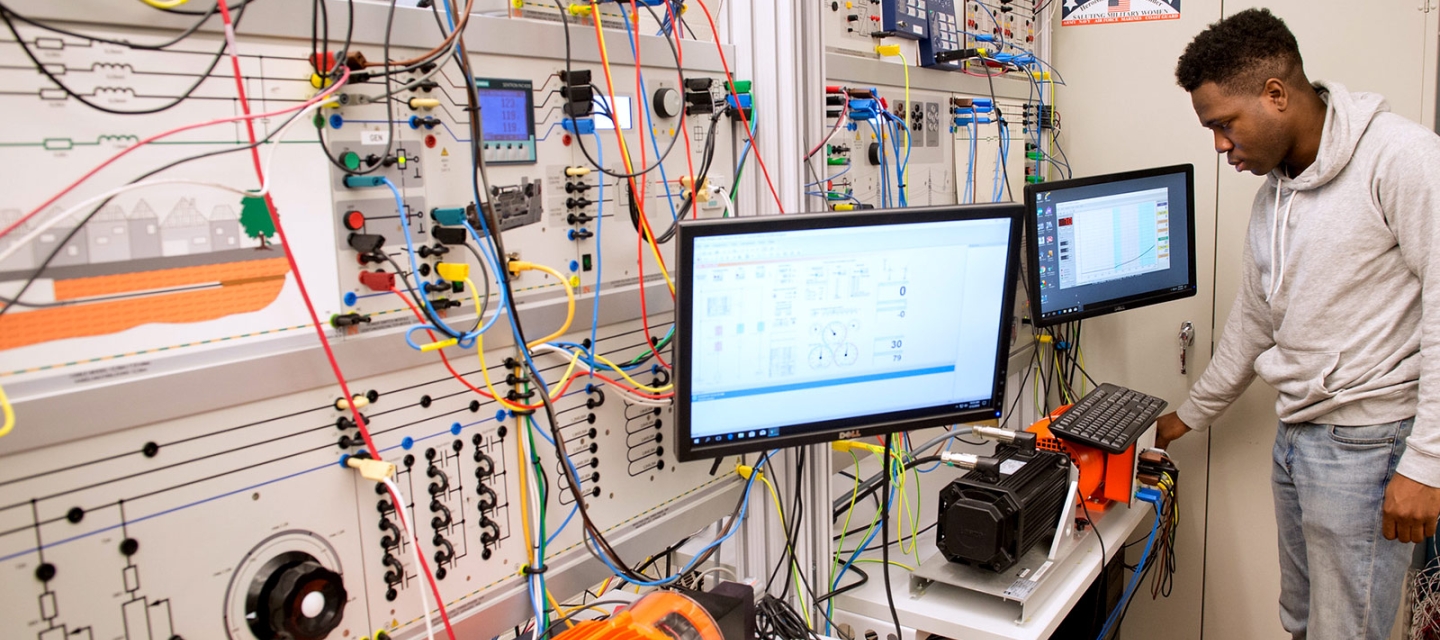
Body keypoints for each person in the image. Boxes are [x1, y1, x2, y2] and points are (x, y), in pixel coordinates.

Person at [1161, 7, 1440, 639]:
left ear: (1276, 94)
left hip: (1369, 449)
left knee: (1346, 632)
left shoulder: (1403, 160)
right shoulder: (1276, 194)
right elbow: (1256, 320)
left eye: (1224, 124)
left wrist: (1426, 464)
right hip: (1299, 441)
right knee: (1303, 622)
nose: (1219, 145)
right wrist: (1189, 414)